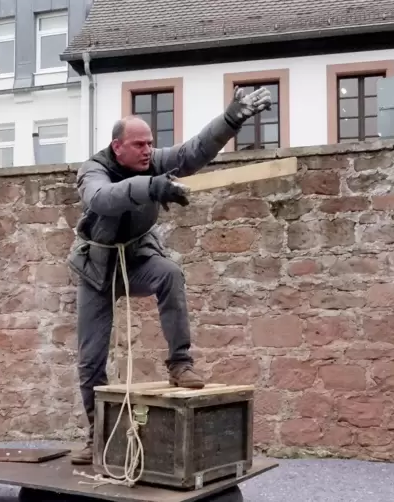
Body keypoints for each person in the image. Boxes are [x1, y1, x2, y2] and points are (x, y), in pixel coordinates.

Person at [67, 87, 272, 465]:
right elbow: (102, 200)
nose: (148, 151)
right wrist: (154, 186)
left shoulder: (153, 163)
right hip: (98, 270)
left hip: (138, 260)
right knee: (90, 360)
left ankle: (180, 363)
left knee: (170, 274)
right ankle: (97, 434)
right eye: (139, 144)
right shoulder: (92, 171)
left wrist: (231, 120)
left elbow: (191, 153)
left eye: (150, 144)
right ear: (117, 147)